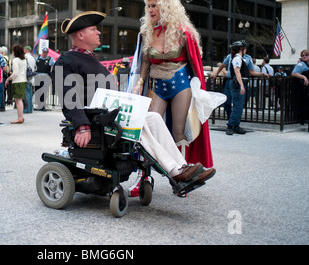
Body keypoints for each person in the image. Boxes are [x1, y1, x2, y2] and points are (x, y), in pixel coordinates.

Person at [52, 11, 215, 193]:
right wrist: (82, 126)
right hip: (95, 121)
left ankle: (183, 168)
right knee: (139, 124)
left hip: (109, 116)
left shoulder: (89, 58)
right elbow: (68, 98)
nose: (98, 33)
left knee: (153, 117)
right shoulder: (66, 61)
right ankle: (175, 171)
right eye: (93, 29)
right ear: (81, 35)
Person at [133, 0, 212, 167]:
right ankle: (143, 176)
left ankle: (183, 172)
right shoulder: (147, 32)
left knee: (179, 131)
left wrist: (199, 88)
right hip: (155, 84)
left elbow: (194, 63)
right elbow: (145, 61)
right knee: (148, 128)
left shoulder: (184, 32)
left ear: (166, 6)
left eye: (155, 5)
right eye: (149, 6)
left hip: (180, 83)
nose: (151, 10)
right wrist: (140, 82)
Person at [5, 44, 27, 124]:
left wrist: (8, 79)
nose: (12, 52)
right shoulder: (24, 60)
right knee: (19, 100)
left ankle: (20, 117)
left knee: (18, 100)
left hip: (17, 81)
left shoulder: (15, 60)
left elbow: (15, 73)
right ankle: (21, 117)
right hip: (23, 80)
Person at [23, 45, 36, 114]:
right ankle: (30, 108)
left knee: (26, 94)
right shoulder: (32, 58)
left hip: (26, 77)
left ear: (26, 50)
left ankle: (26, 109)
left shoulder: (25, 57)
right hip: (31, 77)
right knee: (30, 94)